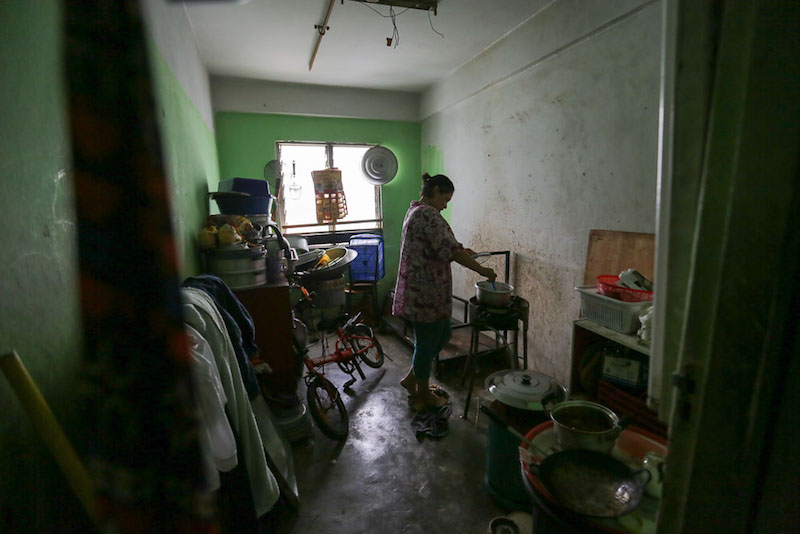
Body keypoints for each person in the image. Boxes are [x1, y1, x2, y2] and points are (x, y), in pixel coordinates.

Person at [392, 172, 497, 410]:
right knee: (426, 343)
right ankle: (422, 396)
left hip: (429, 291)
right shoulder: (427, 214)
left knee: (442, 335)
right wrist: (482, 270)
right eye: (445, 199)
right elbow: (451, 251)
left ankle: (412, 380)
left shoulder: (416, 210)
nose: (446, 205)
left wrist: (462, 251)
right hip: (424, 293)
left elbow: (441, 246)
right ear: (436, 191)